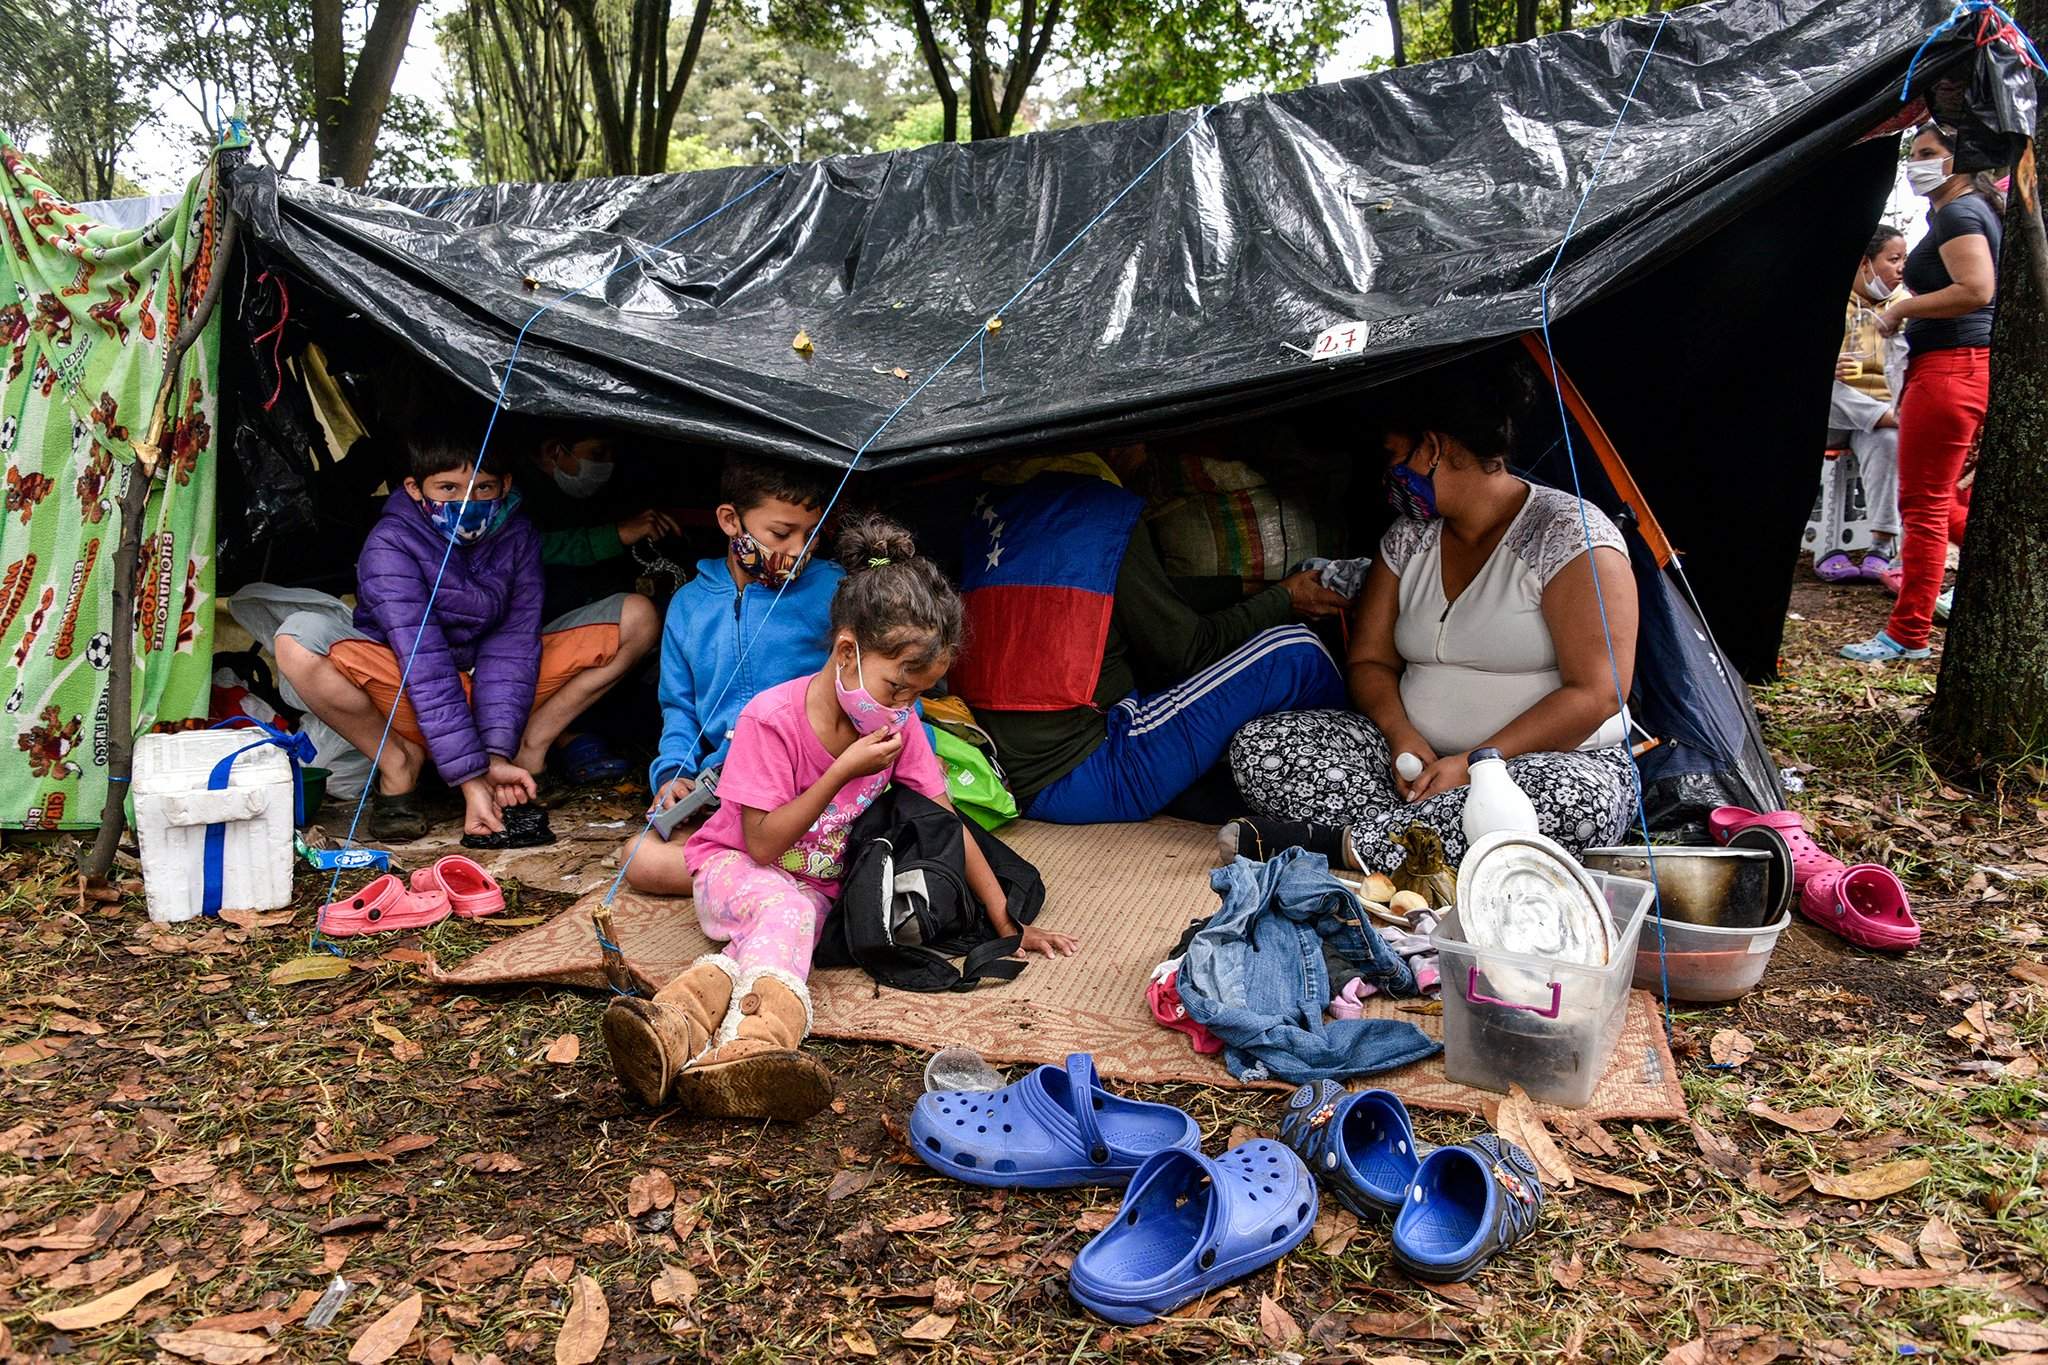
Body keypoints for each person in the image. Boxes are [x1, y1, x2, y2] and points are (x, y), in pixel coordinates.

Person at [601, 516, 1078, 1121]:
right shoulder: (770, 719)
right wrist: (840, 773)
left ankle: (671, 1028)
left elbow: (945, 819)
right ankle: (757, 1047)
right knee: (785, 909)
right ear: (847, 651)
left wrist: (1007, 922)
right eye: (897, 686)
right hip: (736, 865)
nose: (906, 706)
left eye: (919, 694)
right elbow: (762, 845)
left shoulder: (902, 727)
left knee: (785, 926)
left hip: (820, 888)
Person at [1220, 359, 1638, 873]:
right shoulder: (1408, 538)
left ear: (1433, 448)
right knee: (1263, 748)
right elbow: (1370, 661)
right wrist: (1401, 737)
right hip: (1412, 770)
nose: (1390, 475)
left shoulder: (1569, 536)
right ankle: (1428, 843)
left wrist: (1475, 765)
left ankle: (1343, 847)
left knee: (1572, 805)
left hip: (1544, 766)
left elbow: (1597, 691)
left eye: (1396, 457)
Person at [275, 422, 658, 841]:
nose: (467, 502)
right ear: (415, 488)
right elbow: (424, 661)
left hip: (501, 689)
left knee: (637, 616)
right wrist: (473, 780)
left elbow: (513, 645)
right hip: (408, 688)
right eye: (448, 488)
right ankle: (398, 764)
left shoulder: (518, 535)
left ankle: (532, 744)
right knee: (296, 641)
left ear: (505, 485)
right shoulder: (390, 542)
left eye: (484, 488)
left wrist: (495, 753)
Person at [953, 472, 1351, 826]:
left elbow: (1145, 593)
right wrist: (1282, 599)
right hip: (1089, 768)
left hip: (1011, 767)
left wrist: (1258, 587)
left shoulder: (1002, 515)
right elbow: (1184, 652)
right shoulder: (1102, 512)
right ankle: (1358, 780)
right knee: (1295, 651)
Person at [624, 457, 844, 897]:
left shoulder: (836, 591)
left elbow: (874, 686)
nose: (798, 548)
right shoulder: (688, 605)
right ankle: (796, 876)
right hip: (728, 790)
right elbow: (680, 709)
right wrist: (673, 775)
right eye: (781, 534)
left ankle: (771, 875)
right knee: (638, 859)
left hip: (815, 785)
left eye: (810, 536)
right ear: (729, 520)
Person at [1843, 124, 2001, 662]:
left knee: (1924, 506)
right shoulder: (1967, 212)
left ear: (1963, 158)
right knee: (1949, 499)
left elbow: (1977, 290)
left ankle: (1908, 632)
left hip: (1952, 367)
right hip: (1957, 367)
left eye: (1930, 153)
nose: (1918, 163)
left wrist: (1901, 309)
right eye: (1914, 154)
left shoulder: (1961, 212)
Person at [526, 425, 683, 785]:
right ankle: (566, 735)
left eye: (613, 456)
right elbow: (532, 549)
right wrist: (614, 535)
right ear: (553, 449)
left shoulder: (600, 495)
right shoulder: (508, 498)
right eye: (597, 455)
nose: (606, 465)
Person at [1814, 226, 1908, 584]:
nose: (1901, 269)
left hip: (1880, 414)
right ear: (1865, 263)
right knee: (1826, 388)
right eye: (1893, 259)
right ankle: (1823, 546)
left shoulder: (1905, 306)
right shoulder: (1829, 300)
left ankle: (1881, 544)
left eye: (1905, 261)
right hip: (1833, 417)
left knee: (1888, 440)